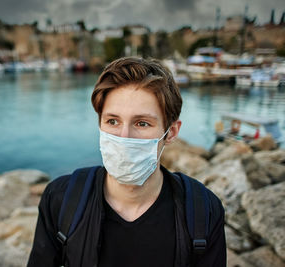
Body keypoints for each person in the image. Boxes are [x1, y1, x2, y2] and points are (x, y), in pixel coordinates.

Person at [27, 57, 226, 267]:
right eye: (112, 121)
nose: (124, 136)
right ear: (100, 124)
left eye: (141, 123)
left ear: (171, 132)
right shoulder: (62, 200)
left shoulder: (203, 212)